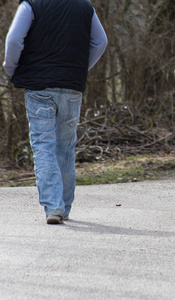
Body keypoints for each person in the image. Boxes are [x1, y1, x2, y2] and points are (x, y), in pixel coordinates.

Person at [3, 0, 108, 224]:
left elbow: (13, 40)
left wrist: (11, 68)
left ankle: (54, 207)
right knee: (66, 146)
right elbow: (100, 42)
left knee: (43, 145)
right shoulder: (85, 7)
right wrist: (78, 69)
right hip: (71, 87)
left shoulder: (31, 5)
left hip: (39, 88)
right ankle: (65, 206)